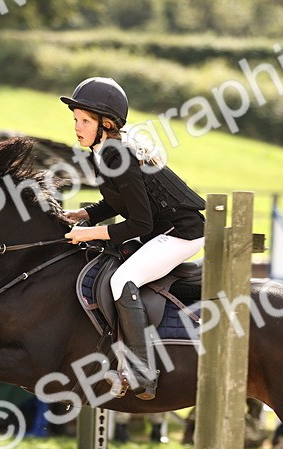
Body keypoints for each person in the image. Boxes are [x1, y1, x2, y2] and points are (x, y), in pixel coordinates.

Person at [60, 77, 206, 400]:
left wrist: (88, 233)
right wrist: (82, 215)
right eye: (75, 120)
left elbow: (139, 222)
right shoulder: (104, 151)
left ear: (107, 123)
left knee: (122, 279)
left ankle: (143, 374)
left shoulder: (119, 156)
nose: (77, 127)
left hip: (182, 233)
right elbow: (116, 202)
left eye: (85, 120)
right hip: (162, 228)